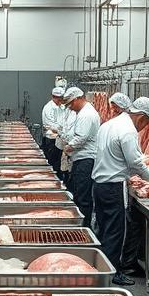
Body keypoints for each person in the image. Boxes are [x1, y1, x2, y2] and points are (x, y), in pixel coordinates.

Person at [92, 96, 149, 285]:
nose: (146, 126)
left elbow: (120, 158)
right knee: (115, 232)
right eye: (148, 122)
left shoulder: (110, 124)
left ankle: (101, 269)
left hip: (99, 184)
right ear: (141, 117)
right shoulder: (128, 131)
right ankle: (112, 273)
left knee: (104, 228)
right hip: (113, 186)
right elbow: (135, 163)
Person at [58, 87, 100, 227]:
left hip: (85, 161)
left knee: (83, 197)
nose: (70, 108)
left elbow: (81, 138)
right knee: (79, 194)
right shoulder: (83, 113)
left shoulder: (86, 114)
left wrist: (68, 147)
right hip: (81, 159)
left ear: (77, 99)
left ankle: (83, 227)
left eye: (70, 104)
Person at [40, 86, 65, 172]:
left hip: (60, 139)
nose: (61, 100)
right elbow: (50, 125)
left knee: (59, 164)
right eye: (59, 98)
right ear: (54, 97)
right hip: (51, 140)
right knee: (53, 163)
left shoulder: (62, 107)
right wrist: (63, 130)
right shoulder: (48, 108)